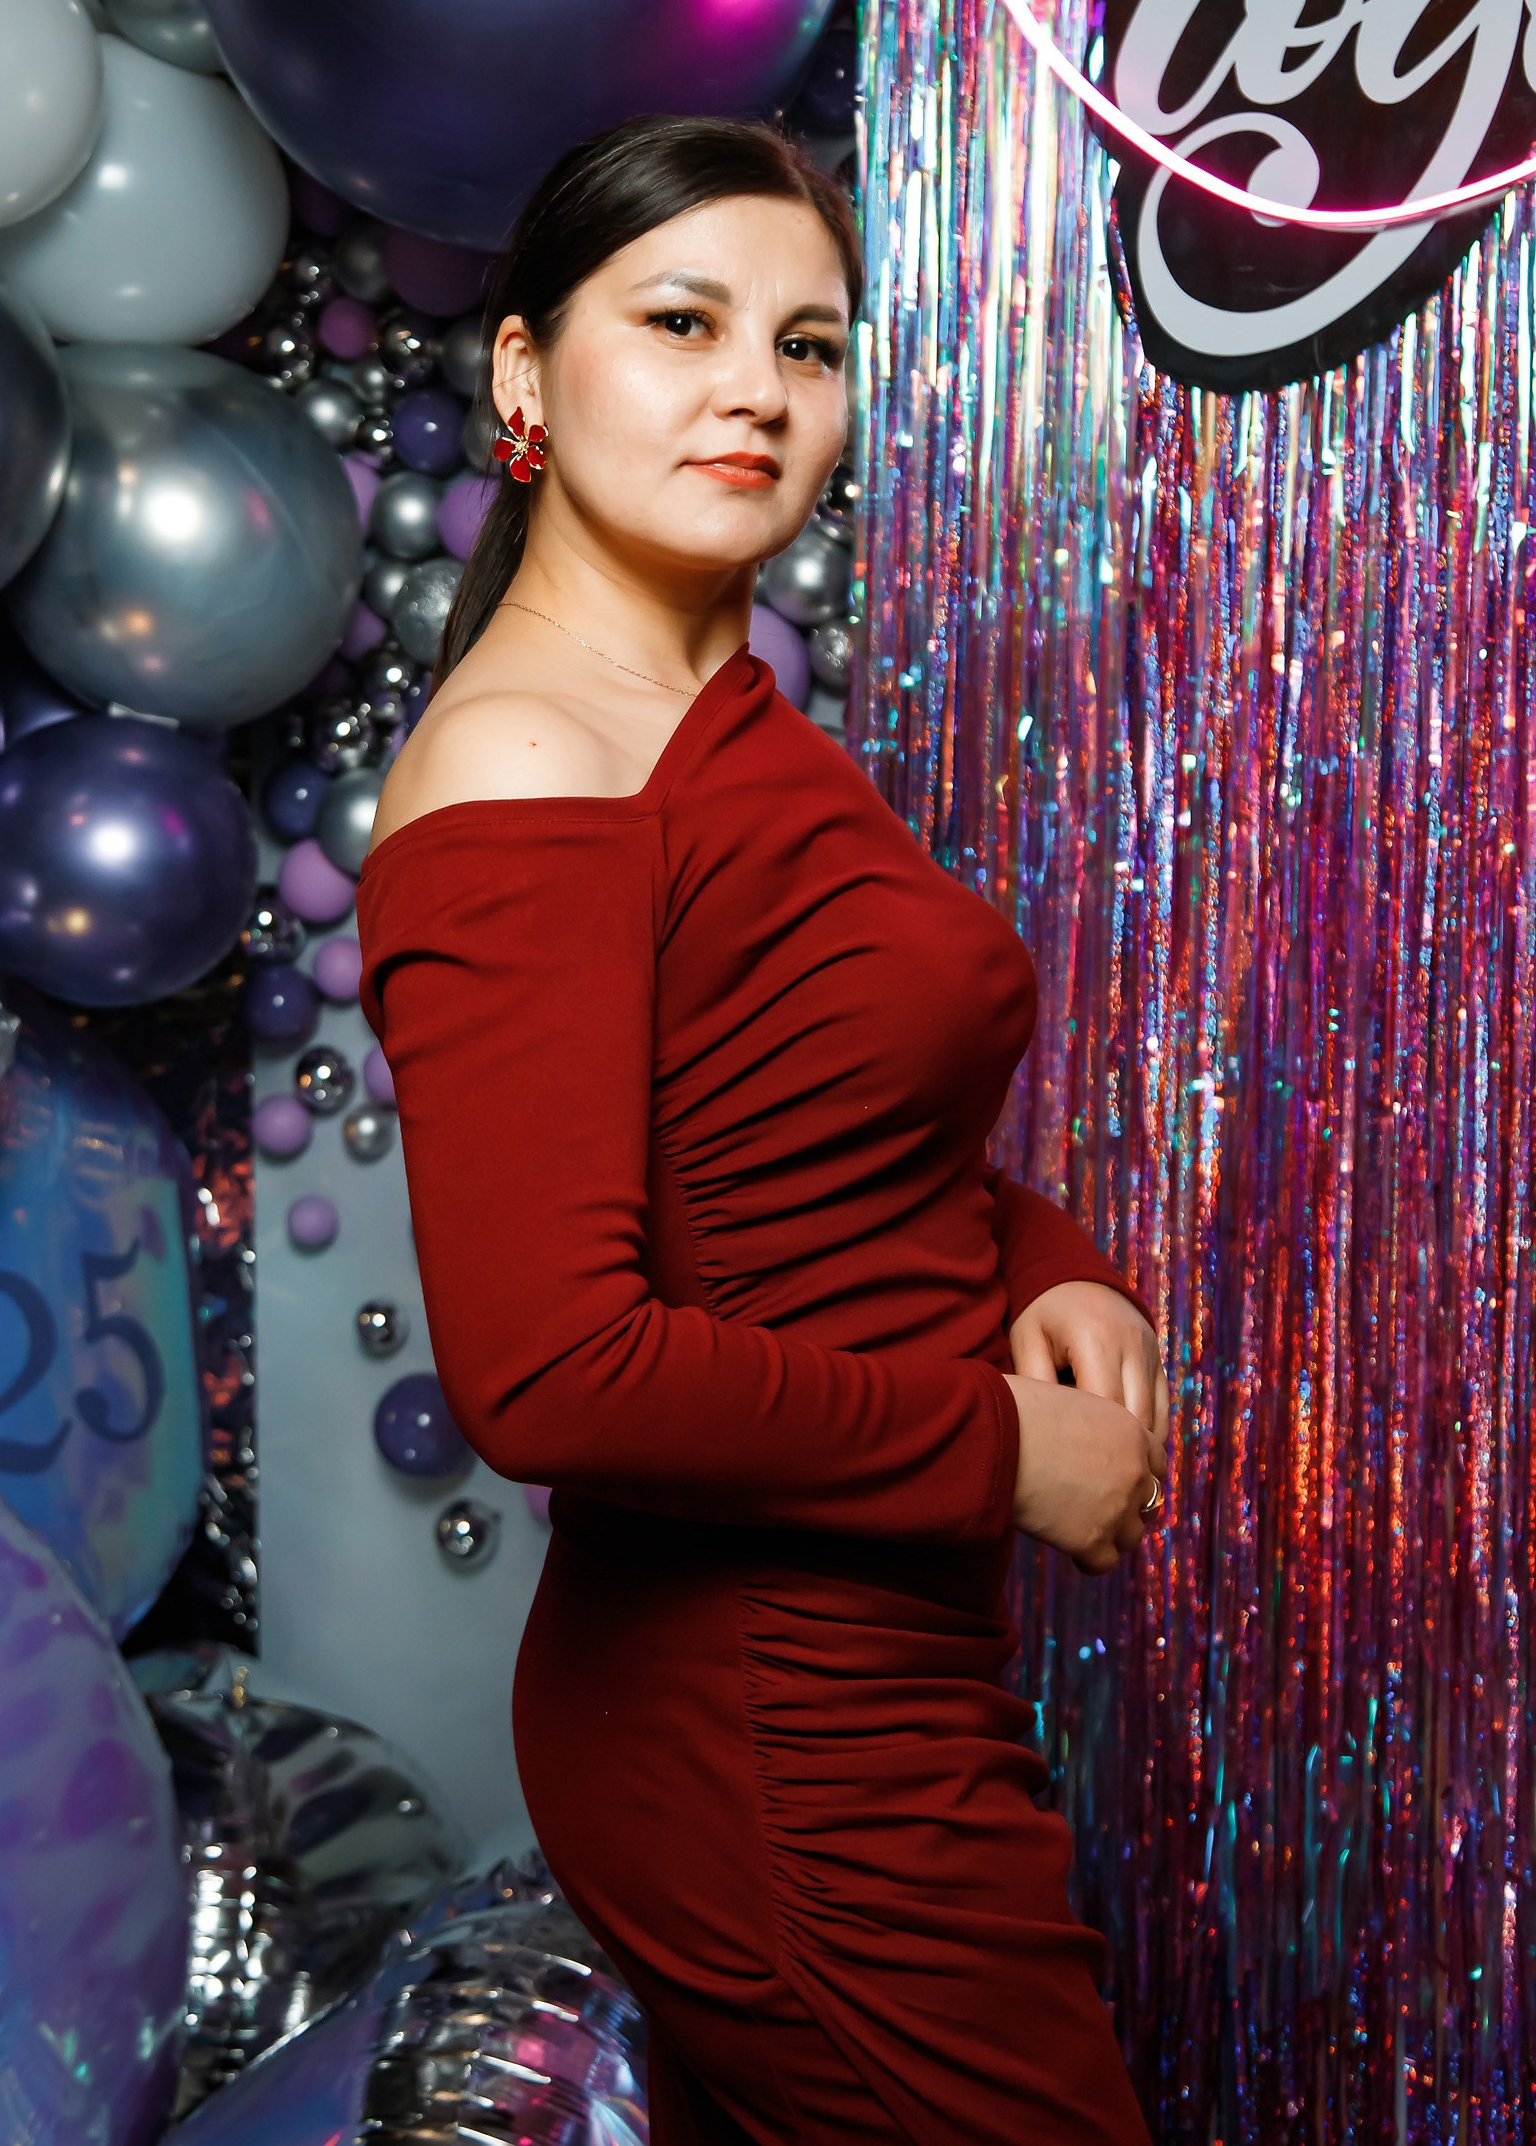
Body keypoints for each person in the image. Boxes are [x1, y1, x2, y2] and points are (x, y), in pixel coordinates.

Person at [355, 114, 1171, 2145]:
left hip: (875, 1673)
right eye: (683, 321)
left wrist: (1052, 1264)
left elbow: (824, 1132)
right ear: (525, 371)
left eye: (807, 345)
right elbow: (550, 1368)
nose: (757, 391)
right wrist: (1003, 1449)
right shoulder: (529, 763)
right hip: (764, 1714)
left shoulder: (727, 726)